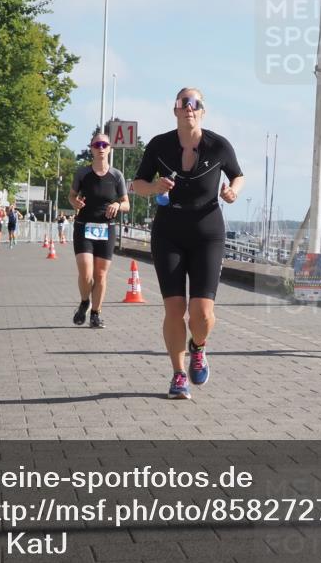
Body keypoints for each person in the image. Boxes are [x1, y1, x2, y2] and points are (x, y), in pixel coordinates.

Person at [131, 87, 244, 400]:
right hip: (168, 232)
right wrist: (154, 187)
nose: (189, 108)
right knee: (175, 309)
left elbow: (238, 175)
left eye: (195, 104)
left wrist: (232, 191)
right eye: (184, 103)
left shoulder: (219, 145)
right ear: (175, 110)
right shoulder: (159, 145)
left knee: (202, 314)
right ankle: (178, 375)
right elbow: (136, 184)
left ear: (202, 111)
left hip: (208, 232)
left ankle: (199, 347)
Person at [69, 129, 130, 328]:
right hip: (84, 226)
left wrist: (118, 205)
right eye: (97, 145)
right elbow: (71, 196)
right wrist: (74, 203)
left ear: (110, 149)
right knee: (86, 272)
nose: (101, 148)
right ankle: (85, 301)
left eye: (104, 145)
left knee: (101, 274)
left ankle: (95, 313)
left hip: (106, 228)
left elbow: (127, 203)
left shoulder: (116, 175)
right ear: (91, 150)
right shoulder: (82, 173)